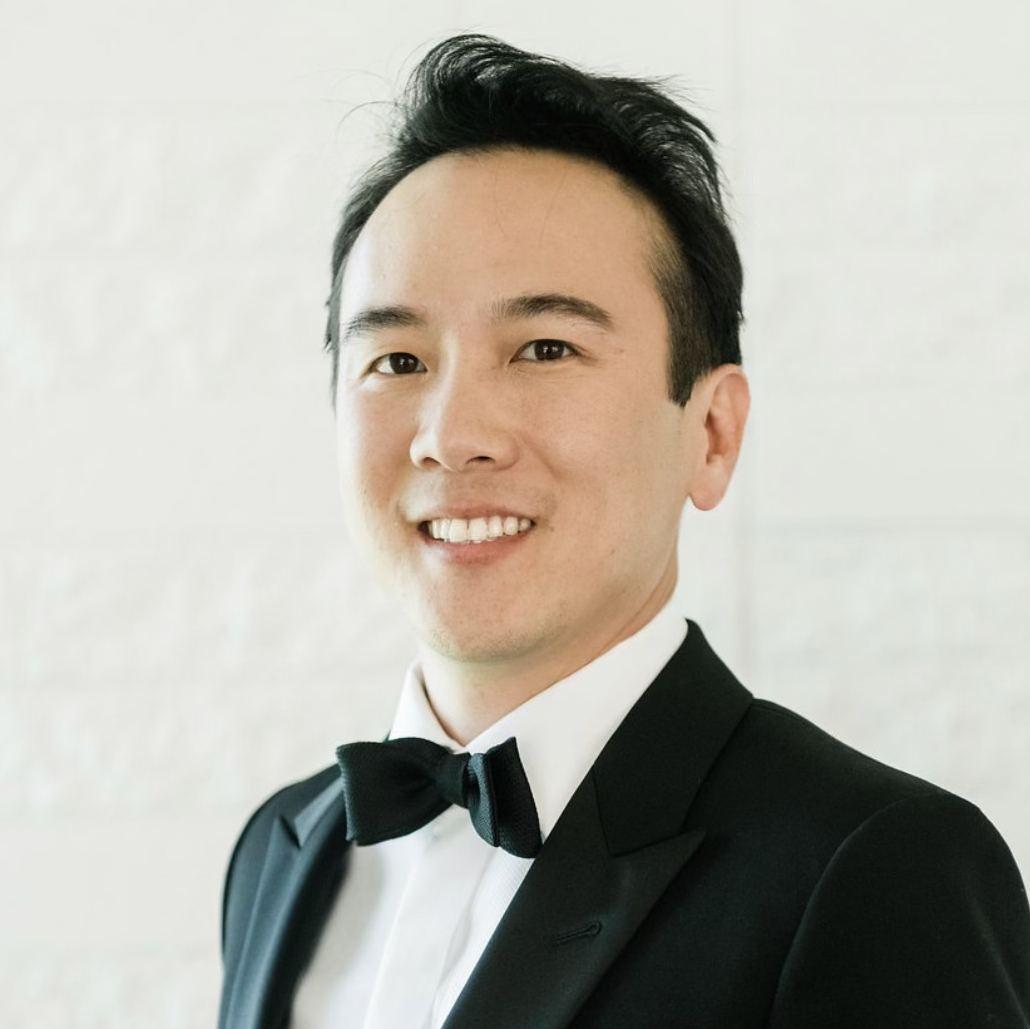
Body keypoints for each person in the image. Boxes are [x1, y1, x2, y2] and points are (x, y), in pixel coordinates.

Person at [216, 33, 1030, 1029]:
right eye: (396, 360)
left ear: (712, 432)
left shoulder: (877, 868)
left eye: (544, 348)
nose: (452, 435)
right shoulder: (281, 847)